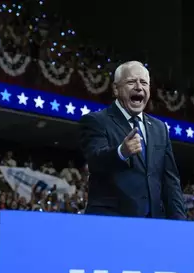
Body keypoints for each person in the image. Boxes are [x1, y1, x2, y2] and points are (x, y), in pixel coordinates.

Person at [79, 61, 186, 219]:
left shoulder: (160, 128)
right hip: (111, 222)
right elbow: (95, 161)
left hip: (152, 224)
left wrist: (180, 223)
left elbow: (170, 181)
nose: (138, 87)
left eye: (144, 82)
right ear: (116, 89)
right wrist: (121, 152)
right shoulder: (96, 121)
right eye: (131, 82)